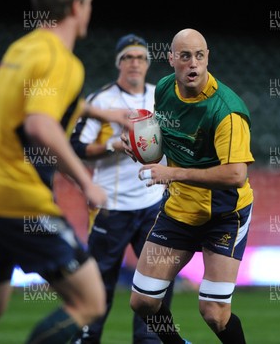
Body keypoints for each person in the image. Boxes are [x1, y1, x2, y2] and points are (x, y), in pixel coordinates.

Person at [0, 0, 131, 343]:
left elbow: (38, 102)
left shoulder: (20, 49)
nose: (90, 10)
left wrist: (99, 112)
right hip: (20, 200)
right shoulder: (63, 61)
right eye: (89, 3)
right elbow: (40, 125)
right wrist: (87, 183)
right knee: (89, 303)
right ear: (77, 6)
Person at [122, 28, 254, 344]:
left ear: (207, 57)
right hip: (180, 211)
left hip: (223, 215)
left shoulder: (227, 111)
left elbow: (236, 175)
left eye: (199, 55)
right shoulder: (165, 90)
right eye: (184, 56)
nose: (193, 63)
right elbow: (167, 137)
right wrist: (144, 150)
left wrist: (174, 175)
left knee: (213, 312)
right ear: (171, 60)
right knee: (143, 302)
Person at [70, 33, 175, 344]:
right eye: (128, 57)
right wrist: (114, 145)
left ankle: (150, 341)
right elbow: (77, 146)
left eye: (141, 57)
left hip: (154, 205)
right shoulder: (100, 101)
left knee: (156, 283)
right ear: (119, 63)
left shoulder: (163, 96)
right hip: (111, 207)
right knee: (99, 284)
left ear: (147, 63)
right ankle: (87, 339)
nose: (135, 63)